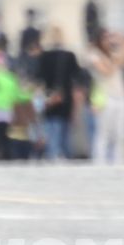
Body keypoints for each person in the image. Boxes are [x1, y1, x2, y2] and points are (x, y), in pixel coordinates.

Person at [36, 25, 83, 160]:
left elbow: (39, 78)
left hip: (50, 98)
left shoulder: (44, 57)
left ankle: (52, 156)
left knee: (52, 130)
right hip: (65, 98)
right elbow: (78, 77)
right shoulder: (70, 56)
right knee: (66, 133)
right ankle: (67, 158)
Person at [88, 31, 124, 164]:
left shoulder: (114, 54)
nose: (109, 42)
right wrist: (115, 57)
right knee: (104, 132)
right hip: (105, 97)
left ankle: (118, 161)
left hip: (121, 96)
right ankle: (99, 161)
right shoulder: (94, 55)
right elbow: (107, 71)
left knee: (120, 133)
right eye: (106, 38)